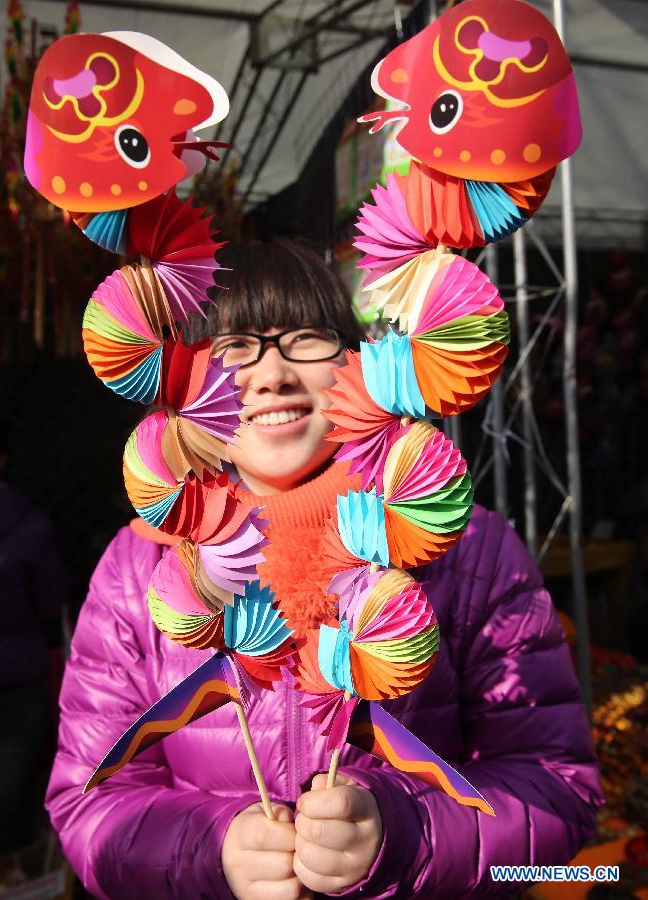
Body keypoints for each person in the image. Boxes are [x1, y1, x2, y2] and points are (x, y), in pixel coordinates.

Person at [45, 240, 602, 899]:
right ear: (180, 384)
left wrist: (405, 836)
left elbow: (559, 795)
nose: (272, 374)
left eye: (306, 338)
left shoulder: (468, 549)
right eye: (232, 347)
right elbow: (88, 806)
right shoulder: (140, 565)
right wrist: (210, 849)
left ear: (358, 365)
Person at [0, 418, 68, 855]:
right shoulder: (28, 521)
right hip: (17, 684)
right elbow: (50, 599)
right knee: (12, 801)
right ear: (1, 460)